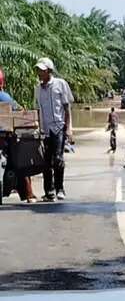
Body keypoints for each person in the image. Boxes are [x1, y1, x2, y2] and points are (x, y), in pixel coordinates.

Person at [34, 57, 73, 202]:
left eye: (42, 70)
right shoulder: (37, 89)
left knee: (58, 159)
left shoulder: (60, 84)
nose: (39, 73)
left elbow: (67, 108)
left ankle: (60, 188)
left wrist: (69, 128)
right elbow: (37, 110)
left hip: (58, 127)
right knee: (45, 161)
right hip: (45, 129)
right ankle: (48, 191)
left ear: (49, 71)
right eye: (38, 70)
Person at [0, 67, 36, 203]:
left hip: (4, 139)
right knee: (20, 161)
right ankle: (28, 194)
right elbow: (21, 111)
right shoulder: (5, 97)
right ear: (2, 83)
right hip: (6, 139)